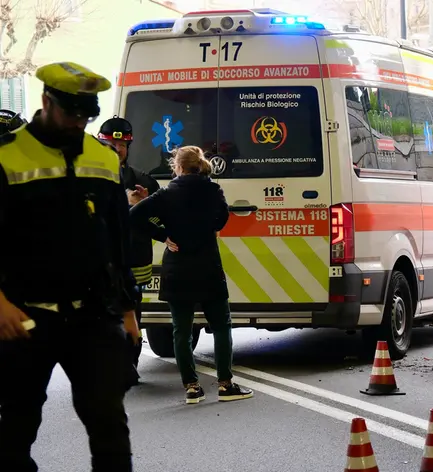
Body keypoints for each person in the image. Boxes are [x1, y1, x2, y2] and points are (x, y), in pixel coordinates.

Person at [0, 62, 139, 471]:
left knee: (109, 424)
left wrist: (129, 310)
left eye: (86, 116)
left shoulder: (103, 157)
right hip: (25, 317)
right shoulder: (7, 156)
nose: (78, 123)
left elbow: (117, 240)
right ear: (46, 101)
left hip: (93, 317)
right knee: (17, 427)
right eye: (70, 113)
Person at [129, 145, 254, 405]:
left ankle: (192, 387)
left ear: (179, 167)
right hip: (208, 266)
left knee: (181, 331)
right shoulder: (213, 190)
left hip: (178, 268)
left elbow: (135, 216)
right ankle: (225, 384)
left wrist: (163, 236)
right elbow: (221, 219)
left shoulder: (167, 194)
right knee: (221, 326)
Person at [99, 117, 163, 387]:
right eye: (111, 144)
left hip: (134, 261)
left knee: (131, 313)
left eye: (122, 144)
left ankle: (130, 365)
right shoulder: (86, 180)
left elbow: (159, 221)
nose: (117, 148)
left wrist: (146, 205)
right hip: (100, 261)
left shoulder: (143, 181)